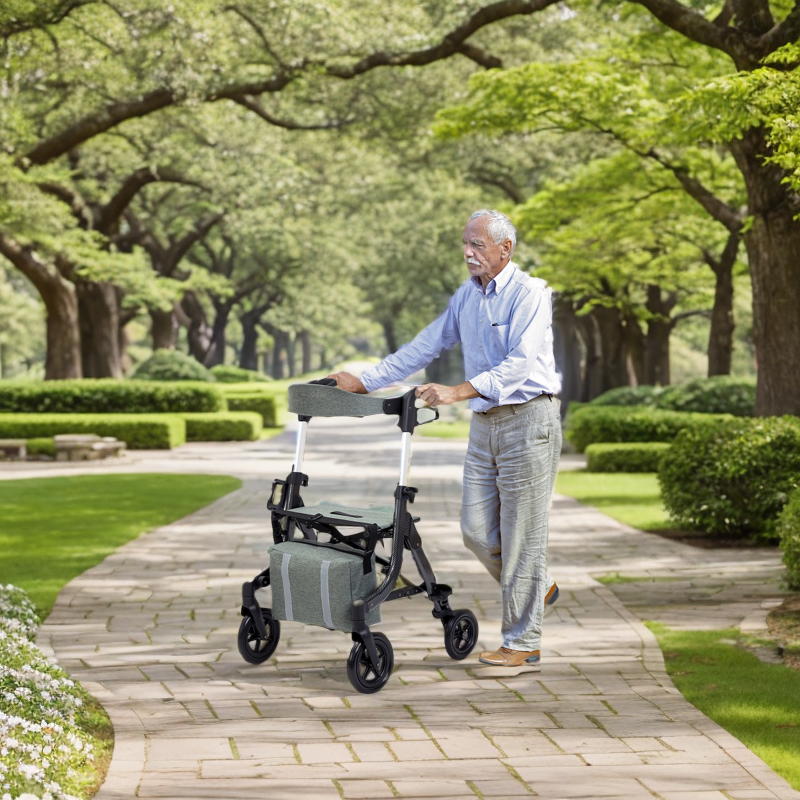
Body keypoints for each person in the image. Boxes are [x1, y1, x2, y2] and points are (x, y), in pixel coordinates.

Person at [329, 209, 562, 668]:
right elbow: (425, 345)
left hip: (529, 421)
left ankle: (522, 641)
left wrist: (455, 391)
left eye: (476, 244)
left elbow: (518, 366)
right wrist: (366, 380)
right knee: (476, 532)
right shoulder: (467, 297)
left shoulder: (530, 294)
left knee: (522, 539)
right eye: (465, 243)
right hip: (486, 425)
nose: (467, 253)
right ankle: (540, 587)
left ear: (505, 249)